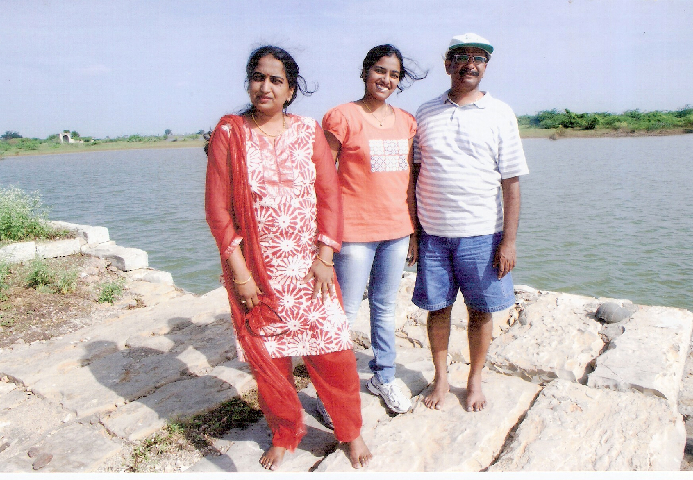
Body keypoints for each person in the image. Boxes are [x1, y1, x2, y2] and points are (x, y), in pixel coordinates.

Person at [205, 45, 372, 470]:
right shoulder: (230, 133)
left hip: (309, 267)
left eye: (276, 80)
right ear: (249, 83)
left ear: (291, 90)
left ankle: (349, 431)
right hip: (258, 269)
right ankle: (285, 431)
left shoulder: (307, 130)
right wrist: (240, 274)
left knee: (332, 351)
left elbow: (329, 195)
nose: (266, 86)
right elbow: (218, 209)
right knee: (271, 359)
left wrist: (324, 254)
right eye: (258, 77)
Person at [412, 34, 529, 412]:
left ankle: (475, 379)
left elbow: (511, 185)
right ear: (447, 64)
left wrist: (508, 242)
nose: (470, 64)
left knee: (481, 311)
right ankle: (441, 377)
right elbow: (413, 175)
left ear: (485, 67)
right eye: (461, 57)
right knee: (438, 309)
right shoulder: (425, 112)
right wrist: (414, 233)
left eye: (479, 58)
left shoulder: (501, 113)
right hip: (432, 234)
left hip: (482, 234)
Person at [322, 44, 426, 415]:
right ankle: (332, 390)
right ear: (365, 72)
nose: (386, 79)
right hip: (353, 234)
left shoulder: (407, 121)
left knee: (383, 309)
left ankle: (383, 376)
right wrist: (325, 235)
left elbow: (409, 179)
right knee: (344, 313)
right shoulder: (342, 117)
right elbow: (323, 177)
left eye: (394, 74)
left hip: (396, 230)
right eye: (380, 71)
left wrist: (413, 229)